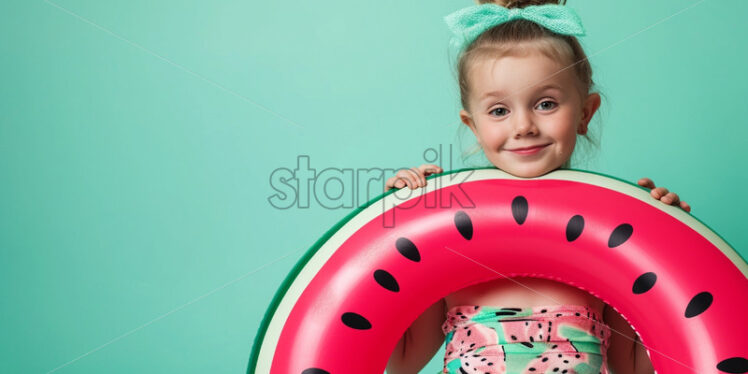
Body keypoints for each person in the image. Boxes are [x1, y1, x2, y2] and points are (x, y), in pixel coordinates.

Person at [384, 1, 690, 373]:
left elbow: (637, 368)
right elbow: (398, 362)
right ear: (472, 125)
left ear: (585, 112)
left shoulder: (610, 239)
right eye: (499, 110)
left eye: (546, 104)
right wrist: (397, 225)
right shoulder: (447, 237)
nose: (524, 125)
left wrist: (668, 241)